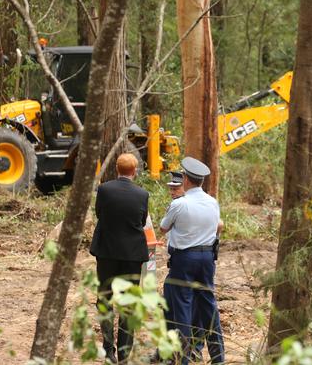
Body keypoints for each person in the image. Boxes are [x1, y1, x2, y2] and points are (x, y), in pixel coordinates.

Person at [160, 157, 225, 365]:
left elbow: (163, 227)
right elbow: (217, 226)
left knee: (182, 306)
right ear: (202, 182)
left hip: (184, 259)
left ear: (186, 179)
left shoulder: (180, 204)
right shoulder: (213, 202)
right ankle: (218, 357)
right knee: (208, 305)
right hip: (207, 258)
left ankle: (182, 358)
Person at [90, 153, 150, 364]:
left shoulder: (104, 190)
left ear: (117, 169)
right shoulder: (142, 194)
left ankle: (108, 351)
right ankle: (124, 353)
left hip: (106, 253)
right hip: (132, 255)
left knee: (105, 300)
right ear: (134, 171)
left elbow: (99, 213)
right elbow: (141, 221)